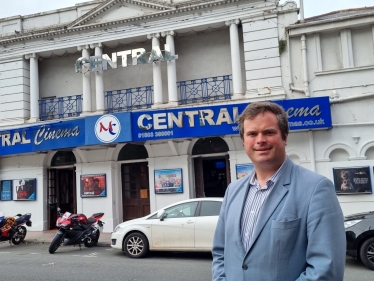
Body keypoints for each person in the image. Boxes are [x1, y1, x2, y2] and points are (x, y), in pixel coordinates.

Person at [212, 102, 346, 281]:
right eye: (252, 134)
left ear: (284, 137)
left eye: (269, 132)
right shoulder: (233, 190)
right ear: (244, 141)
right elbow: (221, 252)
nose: (260, 140)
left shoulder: (316, 188)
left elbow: (325, 268)